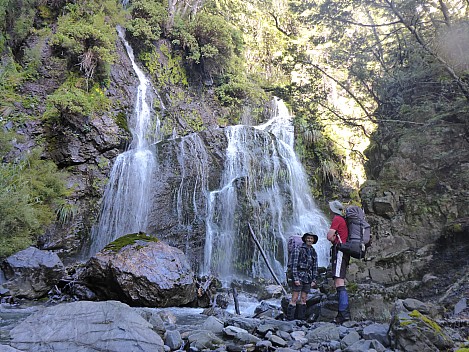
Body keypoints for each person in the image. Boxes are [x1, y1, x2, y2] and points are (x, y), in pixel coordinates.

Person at [327, 200, 351, 323]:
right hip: (344, 252)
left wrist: (333, 240)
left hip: (340, 251)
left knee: (339, 282)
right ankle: (343, 313)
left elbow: (329, 236)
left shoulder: (337, 219)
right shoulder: (343, 220)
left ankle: (343, 314)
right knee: (339, 281)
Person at [286, 232, 318, 321]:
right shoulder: (298, 249)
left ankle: (301, 319)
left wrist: (314, 279)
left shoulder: (313, 251)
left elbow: (315, 266)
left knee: (304, 298)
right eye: (308, 238)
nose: (310, 240)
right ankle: (290, 319)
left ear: (313, 240)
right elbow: (294, 264)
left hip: (308, 277)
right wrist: (295, 278)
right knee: (295, 298)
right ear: (305, 239)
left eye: (311, 239)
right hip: (299, 275)